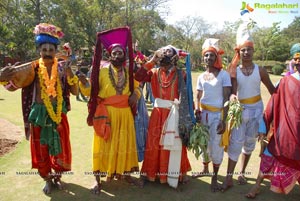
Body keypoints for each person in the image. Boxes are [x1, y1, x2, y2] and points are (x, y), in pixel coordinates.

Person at [0, 23, 78, 194]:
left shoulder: (62, 67)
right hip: (38, 115)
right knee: (41, 149)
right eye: (45, 49)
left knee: (60, 147)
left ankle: (57, 178)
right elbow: (11, 84)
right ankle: (47, 180)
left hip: (58, 114)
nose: (48, 53)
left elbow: (74, 90)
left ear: (56, 51)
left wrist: (70, 72)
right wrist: (2, 76)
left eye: (51, 49)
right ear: (39, 51)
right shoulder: (32, 68)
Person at [78, 26, 141, 194]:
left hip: (125, 114)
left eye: (120, 53)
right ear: (109, 55)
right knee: (102, 146)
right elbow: (90, 90)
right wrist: (84, 83)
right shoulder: (102, 71)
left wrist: (136, 93)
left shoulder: (129, 71)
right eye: (115, 53)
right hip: (106, 114)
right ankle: (97, 180)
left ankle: (126, 174)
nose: (117, 56)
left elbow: (137, 87)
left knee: (124, 144)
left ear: (124, 55)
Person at [221, 19, 275, 191]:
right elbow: (233, 92)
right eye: (243, 50)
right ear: (239, 51)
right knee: (236, 142)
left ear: (253, 51)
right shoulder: (234, 71)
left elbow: (273, 91)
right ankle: (229, 178)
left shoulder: (261, 71)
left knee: (250, 143)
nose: (246, 53)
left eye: (249, 50)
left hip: (257, 110)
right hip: (240, 112)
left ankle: (242, 172)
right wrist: (233, 97)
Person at [245, 43, 300, 198]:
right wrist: (263, 129)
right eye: (297, 59)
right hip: (284, 133)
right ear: (293, 61)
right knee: (269, 155)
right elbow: (271, 106)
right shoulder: (284, 82)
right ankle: (256, 186)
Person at [135, 45, 192, 189]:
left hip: (174, 113)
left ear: (174, 58)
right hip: (158, 113)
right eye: (162, 53)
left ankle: (178, 172)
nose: (164, 55)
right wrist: (152, 61)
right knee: (154, 143)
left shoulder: (182, 74)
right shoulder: (154, 72)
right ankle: (148, 173)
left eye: (168, 53)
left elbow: (188, 96)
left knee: (176, 143)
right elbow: (138, 76)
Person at [193, 38, 231, 192]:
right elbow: (197, 95)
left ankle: (215, 177)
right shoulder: (201, 76)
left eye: (211, 55)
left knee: (216, 146)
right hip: (204, 115)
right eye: (206, 55)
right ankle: (205, 169)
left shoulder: (223, 75)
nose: (208, 58)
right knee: (203, 144)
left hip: (217, 116)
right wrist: (197, 110)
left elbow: (227, 98)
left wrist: (223, 120)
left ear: (217, 58)